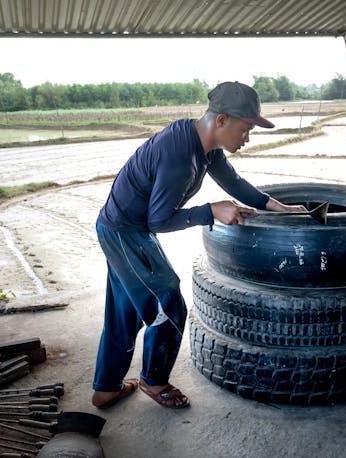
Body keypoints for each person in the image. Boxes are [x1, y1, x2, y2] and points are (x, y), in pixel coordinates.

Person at [90, 81, 306, 409]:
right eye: (246, 129)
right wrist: (211, 211)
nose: (247, 138)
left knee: (125, 310)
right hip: (126, 231)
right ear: (221, 121)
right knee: (167, 301)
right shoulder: (179, 155)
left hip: (121, 227)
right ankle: (154, 380)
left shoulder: (204, 146)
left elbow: (234, 183)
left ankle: (106, 388)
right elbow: (158, 221)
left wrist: (279, 207)